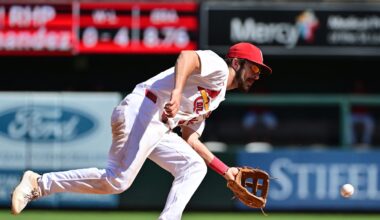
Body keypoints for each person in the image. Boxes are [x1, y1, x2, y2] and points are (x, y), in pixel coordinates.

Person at [11, 42, 272, 219]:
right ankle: (39, 183)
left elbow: (190, 137)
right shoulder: (217, 66)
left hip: (158, 125)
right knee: (118, 180)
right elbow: (187, 57)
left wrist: (226, 170)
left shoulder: (216, 98)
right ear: (237, 63)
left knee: (194, 166)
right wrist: (178, 91)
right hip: (144, 109)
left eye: (259, 72)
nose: (256, 75)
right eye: (254, 68)